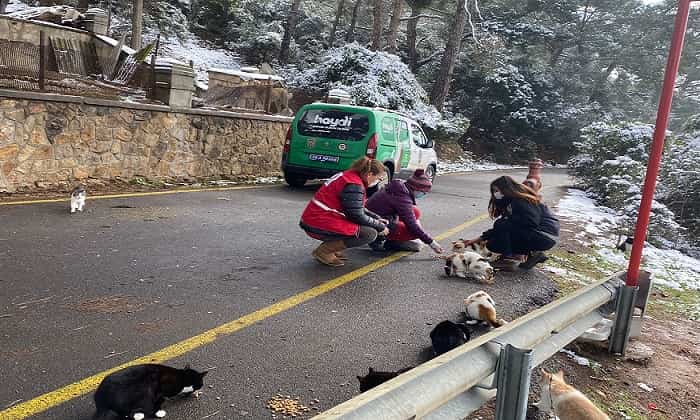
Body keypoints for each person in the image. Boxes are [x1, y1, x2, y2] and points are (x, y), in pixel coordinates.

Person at [300, 157, 390, 267]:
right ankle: (324, 251)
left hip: (316, 217)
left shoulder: (349, 176)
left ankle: (334, 247)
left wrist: (376, 218)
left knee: (363, 227)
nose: (377, 182)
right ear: (370, 174)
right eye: (378, 179)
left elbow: (356, 208)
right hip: (318, 220)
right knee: (369, 233)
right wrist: (380, 226)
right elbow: (356, 215)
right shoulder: (354, 184)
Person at [463, 176, 559, 271]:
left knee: (501, 224)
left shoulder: (520, 201)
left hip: (544, 235)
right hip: (545, 236)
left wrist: (509, 219)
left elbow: (531, 222)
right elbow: (501, 228)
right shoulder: (512, 202)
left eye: (497, 190)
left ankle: (509, 260)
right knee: (493, 243)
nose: (496, 194)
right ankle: (533, 255)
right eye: (494, 191)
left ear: (506, 189)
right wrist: (477, 240)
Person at [365, 169, 444, 253]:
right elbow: (412, 225)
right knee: (413, 233)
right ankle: (384, 240)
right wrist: (431, 243)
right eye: (423, 192)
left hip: (375, 214)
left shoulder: (400, 186)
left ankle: (390, 237)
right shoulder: (402, 198)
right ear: (416, 189)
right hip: (377, 221)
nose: (423, 195)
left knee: (415, 212)